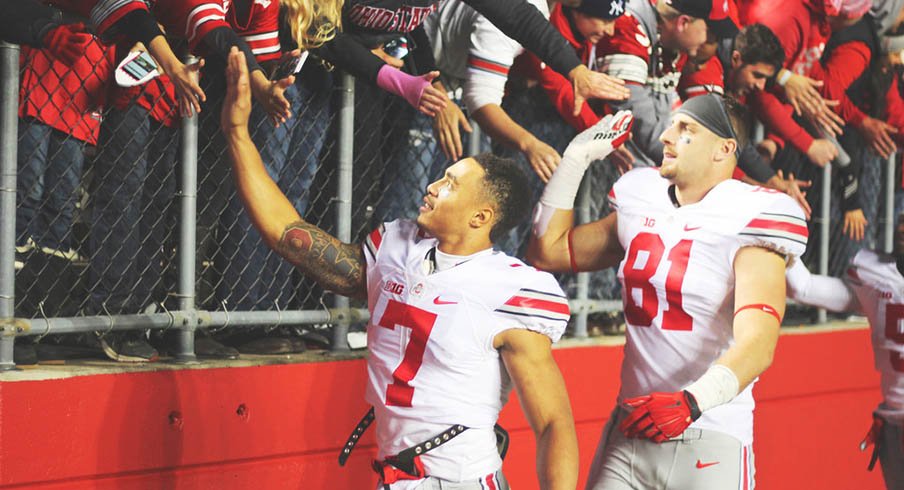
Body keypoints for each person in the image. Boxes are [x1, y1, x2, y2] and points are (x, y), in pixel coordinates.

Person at [221, 47, 578, 488]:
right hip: (394, 477)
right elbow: (289, 235)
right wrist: (237, 133)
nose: (432, 185)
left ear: (480, 217)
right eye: (442, 175)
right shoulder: (397, 248)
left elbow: (553, 423)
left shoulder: (509, 290)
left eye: (451, 184)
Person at [528, 94, 808, 489]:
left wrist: (691, 402)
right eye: (672, 125)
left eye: (686, 129)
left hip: (709, 434)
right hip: (631, 430)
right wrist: (574, 160)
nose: (665, 136)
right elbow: (547, 250)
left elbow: (758, 345)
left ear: (724, 149)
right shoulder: (641, 199)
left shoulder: (751, 218)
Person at [785, 218, 904, 489]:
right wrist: (782, 238)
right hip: (894, 421)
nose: (902, 227)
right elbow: (803, 287)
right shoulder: (875, 277)